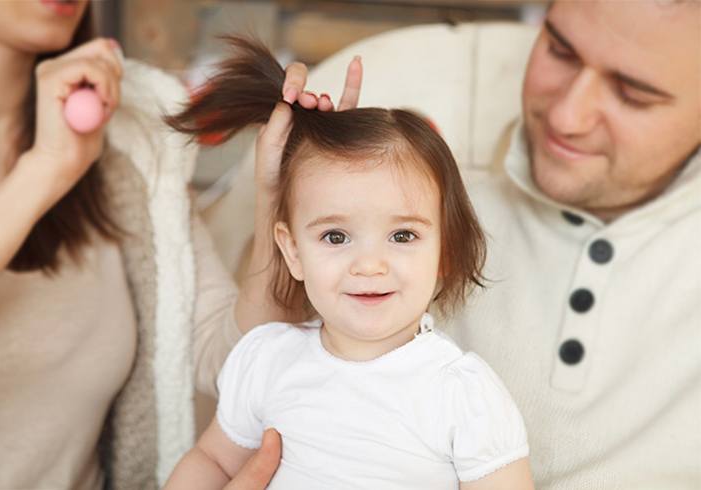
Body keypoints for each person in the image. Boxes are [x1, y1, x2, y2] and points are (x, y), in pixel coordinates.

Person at [217, 0, 701, 488]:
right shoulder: (431, 208)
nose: (569, 116)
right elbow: (254, 385)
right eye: (560, 50)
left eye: (634, 95)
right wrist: (291, 198)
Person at [162, 36, 534, 490]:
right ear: (293, 252)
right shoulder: (267, 359)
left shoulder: (463, 394)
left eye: (403, 235)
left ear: (446, 253)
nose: (369, 265)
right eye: (336, 237)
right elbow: (214, 462)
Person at [0, 2, 289, 488]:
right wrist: (46, 169)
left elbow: (226, 357)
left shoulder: (132, 135)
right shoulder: (62, 154)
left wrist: (280, 203)